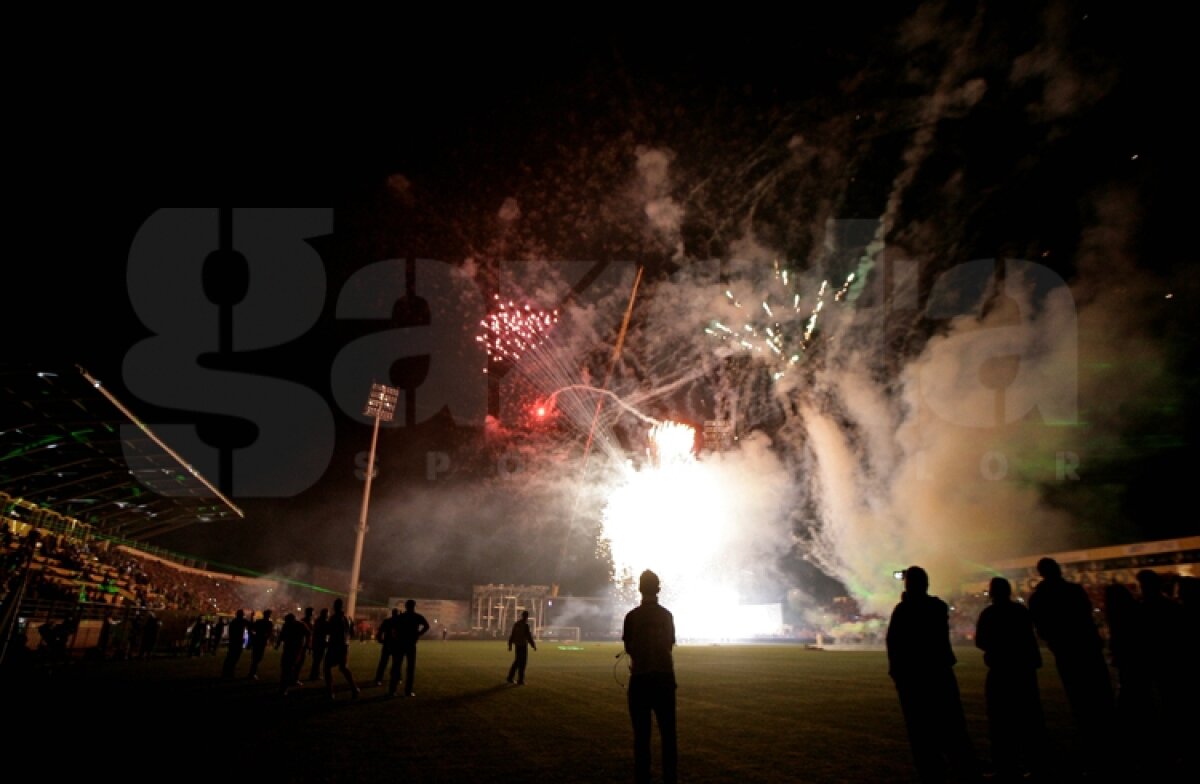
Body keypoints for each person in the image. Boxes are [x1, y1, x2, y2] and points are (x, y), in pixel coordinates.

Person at [886, 565, 979, 784]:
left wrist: (897, 673)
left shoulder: (904, 609)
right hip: (940, 673)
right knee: (953, 725)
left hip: (914, 678)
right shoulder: (938, 607)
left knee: (920, 730)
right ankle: (964, 768)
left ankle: (932, 771)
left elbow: (894, 643)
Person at [1028, 557, 1113, 775]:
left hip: (1065, 649)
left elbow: (1040, 626)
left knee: (1079, 697)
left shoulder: (1039, 596)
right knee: (1101, 694)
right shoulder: (1073, 590)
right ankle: (1110, 742)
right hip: (1086, 646)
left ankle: (1093, 745)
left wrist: (1054, 639)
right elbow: (1085, 614)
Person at [975, 576, 1044, 781]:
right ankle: (1036, 764)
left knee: (1000, 722)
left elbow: (981, 641)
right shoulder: (1020, 611)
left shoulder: (989, 613)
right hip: (1023, 670)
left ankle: (1005, 766)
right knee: (1029, 719)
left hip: (1001, 671)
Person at [622, 569, 677, 784]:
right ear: (659, 589)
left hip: (641, 679)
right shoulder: (666, 615)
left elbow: (629, 647)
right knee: (669, 735)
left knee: (642, 737)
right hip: (664, 679)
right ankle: (670, 778)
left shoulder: (632, 616)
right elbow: (669, 644)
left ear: (639, 589)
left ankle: (643, 777)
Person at [389, 599, 430, 697]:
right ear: (414, 606)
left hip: (400, 643)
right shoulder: (417, 616)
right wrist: (418, 634)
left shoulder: (401, 617)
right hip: (411, 644)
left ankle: (392, 690)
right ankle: (408, 691)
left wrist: (397, 636)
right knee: (410, 668)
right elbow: (427, 626)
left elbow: (393, 628)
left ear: (406, 606)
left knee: (396, 666)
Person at [324, 598, 360, 700]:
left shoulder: (334, 618)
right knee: (344, 667)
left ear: (335, 606)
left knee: (327, 668)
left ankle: (330, 692)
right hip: (345, 646)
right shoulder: (348, 618)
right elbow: (352, 633)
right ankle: (354, 688)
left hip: (335, 645)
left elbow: (329, 631)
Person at [275, 612, 310, 696]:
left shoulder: (299, 624)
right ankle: (285, 685)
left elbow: (308, 634)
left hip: (295, 649)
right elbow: (282, 635)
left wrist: (307, 644)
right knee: (287, 667)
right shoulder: (296, 624)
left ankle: (284, 687)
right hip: (292, 648)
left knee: (288, 667)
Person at [506, 610, 537, 685]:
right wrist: (533, 645)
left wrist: (510, 645)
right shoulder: (525, 625)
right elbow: (528, 637)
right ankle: (520, 680)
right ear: (526, 617)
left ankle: (510, 677)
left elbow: (512, 635)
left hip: (517, 645)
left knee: (517, 662)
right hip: (523, 645)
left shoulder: (517, 624)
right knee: (522, 663)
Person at [374, 607, 401, 686]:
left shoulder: (388, 621)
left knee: (384, 662)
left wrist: (380, 639)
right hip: (393, 645)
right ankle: (397, 677)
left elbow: (380, 631)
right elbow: (381, 631)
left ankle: (379, 679)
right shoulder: (397, 622)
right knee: (395, 663)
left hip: (389, 644)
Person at [246, 609, 274, 680]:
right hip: (261, 641)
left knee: (255, 657)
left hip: (257, 640)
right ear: (268, 615)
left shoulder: (259, 621)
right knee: (257, 658)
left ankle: (252, 672)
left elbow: (251, 627)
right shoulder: (269, 623)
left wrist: (253, 636)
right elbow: (269, 633)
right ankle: (252, 673)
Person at [221, 609, 248, 680]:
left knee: (230, 657)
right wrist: (251, 616)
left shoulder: (234, 622)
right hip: (237, 642)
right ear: (241, 615)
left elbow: (231, 632)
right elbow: (250, 625)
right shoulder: (241, 621)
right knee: (234, 657)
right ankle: (229, 672)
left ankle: (226, 672)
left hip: (233, 642)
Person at [308, 608, 329, 681]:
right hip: (320, 643)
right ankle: (314, 675)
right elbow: (327, 631)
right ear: (325, 614)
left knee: (316, 660)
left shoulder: (317, 620)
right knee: (318, 660)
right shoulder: (324, 622)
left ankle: (314, 674)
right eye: (327, 613)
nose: (328, 615)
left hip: (316, 642)